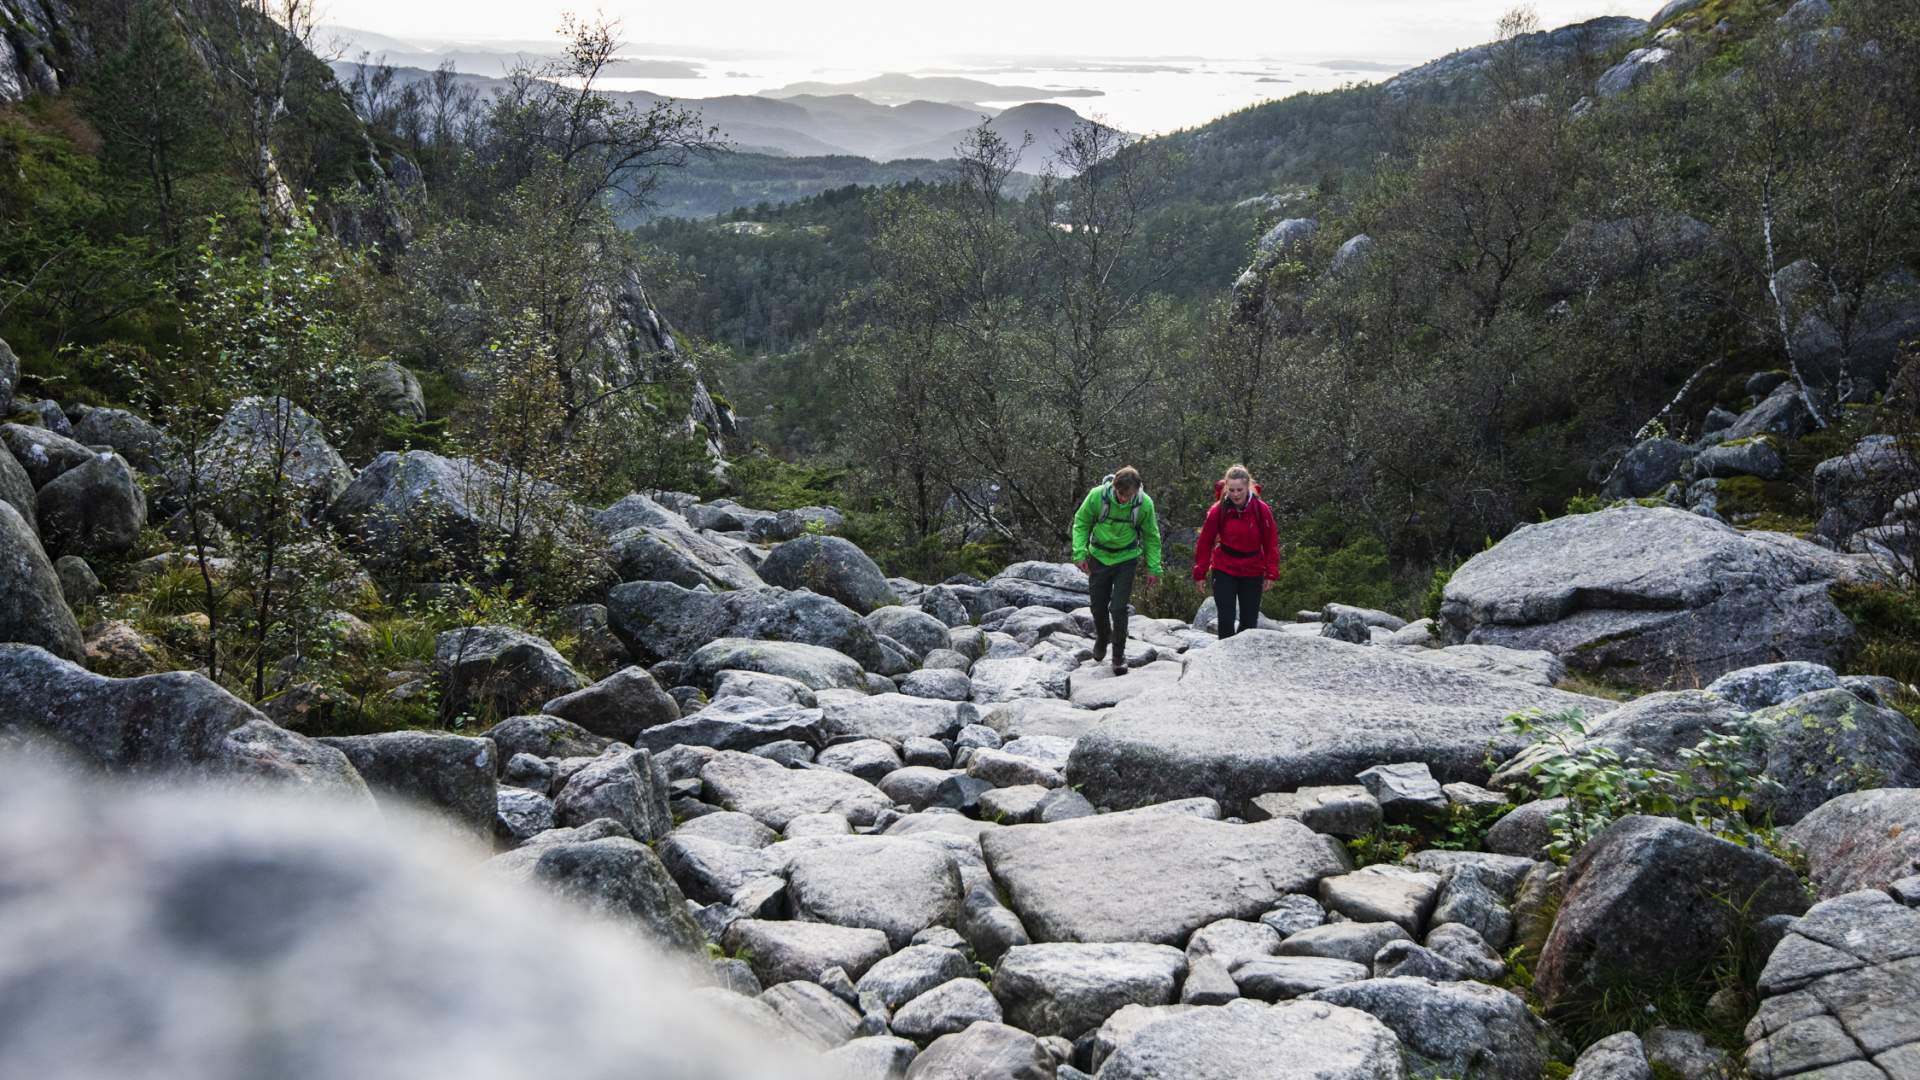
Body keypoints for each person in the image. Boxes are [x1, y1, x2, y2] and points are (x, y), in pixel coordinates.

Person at [1071, 466, 1162, 675]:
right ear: (1114, 487)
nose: (1123, 499)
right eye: (1120, 494)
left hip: (1126, 559)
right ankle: (1103, 636)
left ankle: (1118, 656)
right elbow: (1081, 522)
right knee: (1098, 606)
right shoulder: (1097, 496)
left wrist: (1153, 567)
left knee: (1119, 608)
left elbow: (1151, 536)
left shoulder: (1144, 504)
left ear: (1137, 490)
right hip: (1099, 557)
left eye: (1128, 495)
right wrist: (1079, 552)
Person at [1192, 464, 1279, 639]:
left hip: (1253, 569)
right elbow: (1205, 542)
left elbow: (1271, 542)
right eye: (1231, 490)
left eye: (1240, 490)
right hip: (1224, 567)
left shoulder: (1261, 510)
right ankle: (1224, 653)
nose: (1236, 494)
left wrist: (1271, 572)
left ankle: (1242, 653)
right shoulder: (1218, 510)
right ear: (1226, 487)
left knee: (1249, 622)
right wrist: (1200, 573)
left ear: (1248, 487)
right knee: (1226, 619)